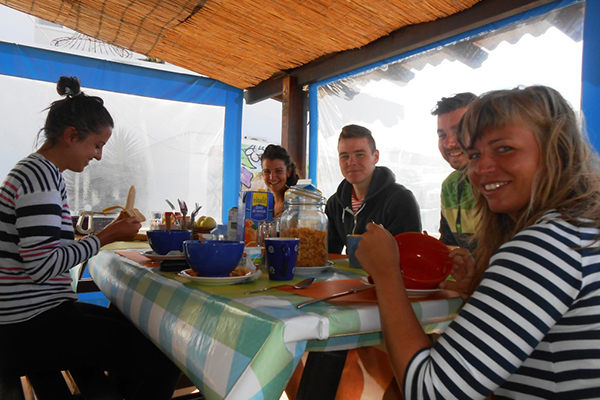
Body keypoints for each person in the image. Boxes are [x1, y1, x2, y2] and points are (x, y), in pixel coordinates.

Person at [356, 85, 600, 399]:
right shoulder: (580, 229)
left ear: (557, 150)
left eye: (504, 149)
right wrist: (480, 289)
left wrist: (388, 275)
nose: (481, 168)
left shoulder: (545, 246)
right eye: (474, 154)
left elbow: (430, 391)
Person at [0, 76, 180, 399]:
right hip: (28, 326)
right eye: (96, 145)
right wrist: (105, 235)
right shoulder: (38, 177)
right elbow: (42, 267)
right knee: (162, 356)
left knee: (137, 332)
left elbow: (42, 244)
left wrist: (88, 232)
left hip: (37, 317)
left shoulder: (41, 173)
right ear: (71, 136)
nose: (97, 156)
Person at [325, 124, 421, 253]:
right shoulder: (335, 204)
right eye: (344, 156)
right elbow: (329, 255)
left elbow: (410, 254)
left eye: (359, 155)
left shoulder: (401, 200)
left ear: (375, 157)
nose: (351, 162)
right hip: (350, 273)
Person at [432, 92, 478, 252]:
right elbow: (448, 245)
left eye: (459, 131)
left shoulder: (509, 185)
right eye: (442, 135)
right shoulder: (450, 186)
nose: (450, 143)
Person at [260, 144, 299, 217]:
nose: (272, 177)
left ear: (288, 172)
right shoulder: (263, 203)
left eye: (278, 171)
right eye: (267, 171)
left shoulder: (295, 203)